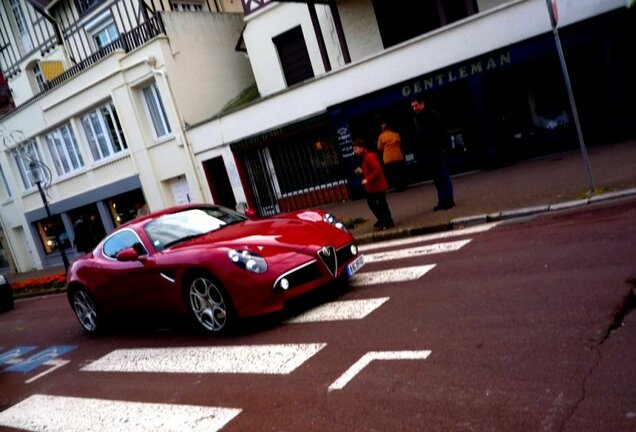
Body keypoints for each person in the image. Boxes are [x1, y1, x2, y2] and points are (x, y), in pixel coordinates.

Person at [411, 97, 455, 211]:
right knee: (436, 177)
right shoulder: (417, 119)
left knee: (442, 175)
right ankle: (442, 200)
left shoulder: (432, 115)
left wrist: (442, 146)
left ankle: (449, 200)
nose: (414, 108)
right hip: (428, 151)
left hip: (436, 149)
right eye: (413, 106)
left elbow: (440, 132)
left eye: (416, 105)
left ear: (422, 104)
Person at [353, 138, 394, 230]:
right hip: (372, 186)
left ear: (362, 148)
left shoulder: (369, 157)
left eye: (356, 148)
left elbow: (377, 170)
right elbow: (370, 170)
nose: (354, 151)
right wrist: (362, 171)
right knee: (373, 203)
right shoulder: (365, 157)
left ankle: (387, 221)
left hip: (377, 185)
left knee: (381, 203)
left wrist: (367, 179)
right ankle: (382, 219)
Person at [377, 120, 407, 192]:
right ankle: (403, 185)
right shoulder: (396, 134)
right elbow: (400, 145)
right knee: (400, 172)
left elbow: (379, 147)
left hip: (388, 158)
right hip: (398, 156)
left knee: (393, 173)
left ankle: (397, 187)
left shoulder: (381, 136)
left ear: (382, 129)